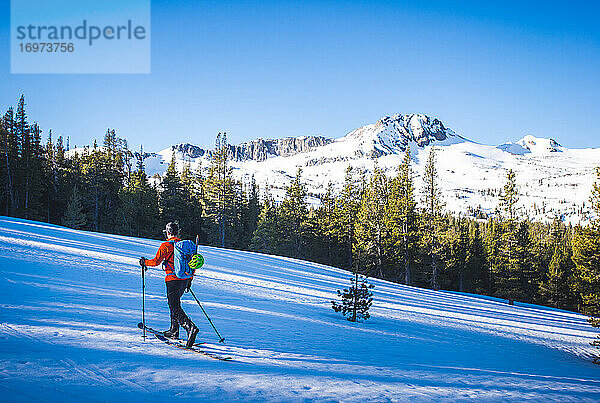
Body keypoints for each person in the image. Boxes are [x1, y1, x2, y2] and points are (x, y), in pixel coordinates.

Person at [140, 222, 199, 348]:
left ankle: (190, 327)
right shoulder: (185, 246)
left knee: (174, 306)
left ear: (167, 232)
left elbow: (156, 262)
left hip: (172, 279)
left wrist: (144, 262)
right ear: (178, 232)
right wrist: (189, 281)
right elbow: (193, 264)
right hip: (185, 279)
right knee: (175, 304)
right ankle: (173, 330)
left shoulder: (166, 245)